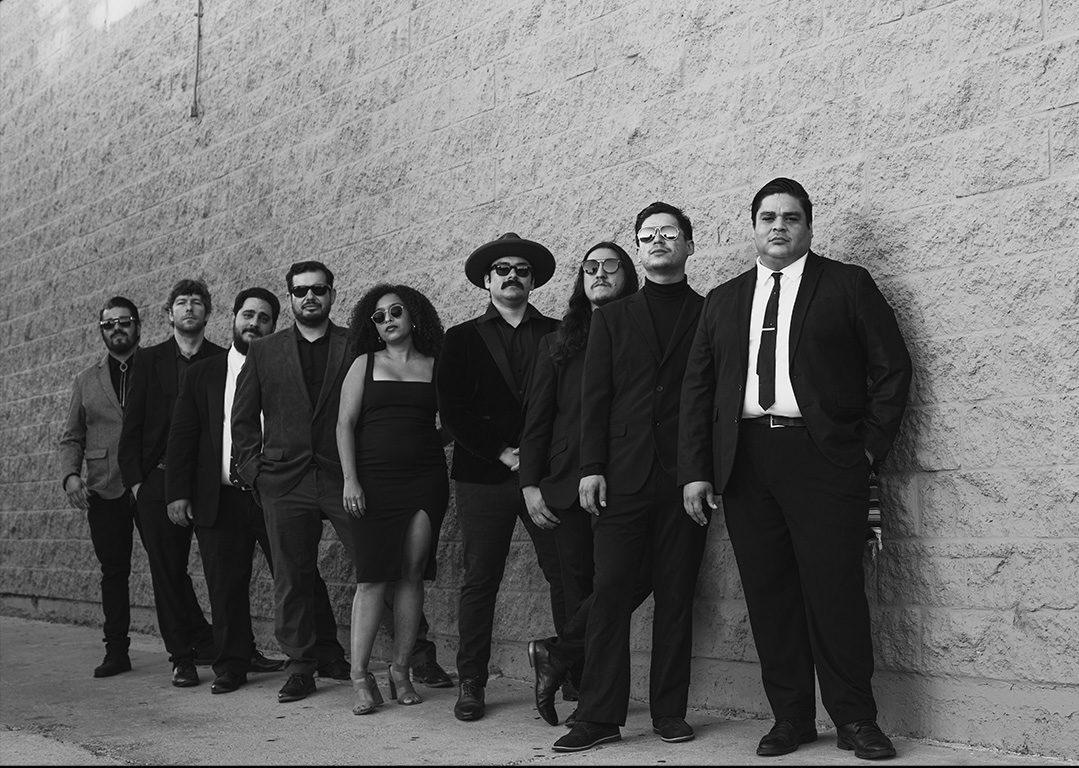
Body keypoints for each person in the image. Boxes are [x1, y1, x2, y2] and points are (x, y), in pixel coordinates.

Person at [679, 177, 912, 761]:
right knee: (769, 595)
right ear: (754, 227)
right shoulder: (723, 299)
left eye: (791, 217)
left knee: (835, 591)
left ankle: (856, 719)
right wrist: (696, 469)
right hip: (746, 463)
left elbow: (892, 369)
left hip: (824, 457)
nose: (779, 226)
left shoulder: (847, 284)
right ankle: (791, 718)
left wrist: (867, 450)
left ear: (808, 226)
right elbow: (699, 391)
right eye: (768, 217)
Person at [554, 202, 708, 753]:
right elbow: (595, 399)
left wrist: (702, 470)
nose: (658, 240)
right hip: (621, 475)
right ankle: (599, 716)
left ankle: (669, 712)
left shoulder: (711, 312)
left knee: (676, 596)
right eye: (648, 235)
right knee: (611, 594)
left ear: (689, 245)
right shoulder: (612, 318)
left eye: (669, 232)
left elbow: (711, 397)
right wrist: (591, 467)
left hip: (686, 480)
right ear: (639, 250)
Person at [436, 232, 565, 722]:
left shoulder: (560, 332)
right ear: (487, 280)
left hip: (546, 475)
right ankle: (471, 680)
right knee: (480, 578)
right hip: (483, 475)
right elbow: (453, 410)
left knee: (564, 572)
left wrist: (536, 458)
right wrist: (502, 452)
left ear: (533, 281)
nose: (513, 275)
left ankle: (572, 668)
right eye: (503, 269)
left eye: (522, 270)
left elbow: (569, 404)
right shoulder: (460, 337)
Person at [519, 242, 639, 726]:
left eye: (611, 265)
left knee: (623, 579)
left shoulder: (639, 332)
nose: (600, 273)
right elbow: (537, 421)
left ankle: (557, 652)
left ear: (628, 276)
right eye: (590, 267)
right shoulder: (558, 342)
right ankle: (586, 696)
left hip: (629, 477)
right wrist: (530, 486)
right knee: (575, 588)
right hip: (566, 484)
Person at [231, 261, 355, 703]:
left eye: (318, 289)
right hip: (284, 482)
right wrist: (255, 474)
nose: (310, 297)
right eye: (301, 291)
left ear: (332, 295)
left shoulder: (356, 342)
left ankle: (414, 654)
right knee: (292, 577)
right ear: (290, 298)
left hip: (345, 477)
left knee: (380, 563)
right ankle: (301, 667)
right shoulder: (265, 350)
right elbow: (243, 419)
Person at [164, 288, 294, 695]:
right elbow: (182, 437)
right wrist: (177, 492)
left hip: (272, 493)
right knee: (225, 587)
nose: (254, 323)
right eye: (248, 315)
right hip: (219, 497)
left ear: (274, 326)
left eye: (264, 318)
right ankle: (232, 665)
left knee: (296, 575)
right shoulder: (203, 373)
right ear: (234, 318)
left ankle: (320, 655)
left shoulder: (284, 368)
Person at [336, 284, 448, 715]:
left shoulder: (436, 365)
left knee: (412, 572)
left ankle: (401, 670)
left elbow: (454, 420)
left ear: (413, 315)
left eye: (395, 311)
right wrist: (351, 480)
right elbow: (344, 425)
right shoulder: (364, 364)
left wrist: (426, 440)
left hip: (425, 480)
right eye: (378, 316)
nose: (388, 320)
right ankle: (359, 676)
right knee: (372, 577)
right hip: (372, 481)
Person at [119, 279, 222, 687]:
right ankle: (182, 657)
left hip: (211, 482)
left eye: (197, 302)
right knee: (168, 573)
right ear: (169, 314)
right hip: (157, 481)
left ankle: (234, 649)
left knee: (224, 570)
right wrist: (138, 485)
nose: (189, 308)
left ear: (207, 312)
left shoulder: (222, 358)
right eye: (181, 302)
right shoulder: (148, 360)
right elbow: (132, 427)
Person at [58, 297, 142, 678]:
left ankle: (189, 645)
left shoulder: (155, 367)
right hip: (104, 488)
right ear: (102, 331)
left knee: (168, 567)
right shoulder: (85, 380)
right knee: (114, 572)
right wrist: (70, 476)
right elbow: (71, 436)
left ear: (137, 325)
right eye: (109, 324)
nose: (117, 329)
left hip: (147, 483)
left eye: (124, 321)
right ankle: (116, 651)